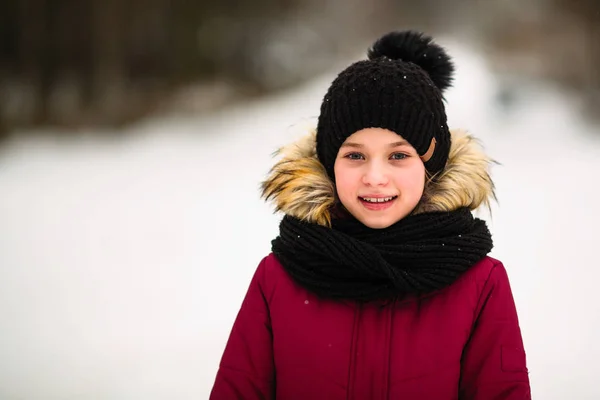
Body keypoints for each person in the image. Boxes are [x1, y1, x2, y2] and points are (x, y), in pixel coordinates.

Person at [210, 30, 531, 399]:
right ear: (330, 165)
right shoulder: (279, 277)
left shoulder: (479, 283)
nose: (375, 178)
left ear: (432, 165)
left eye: (398, 156)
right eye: (355, 155)